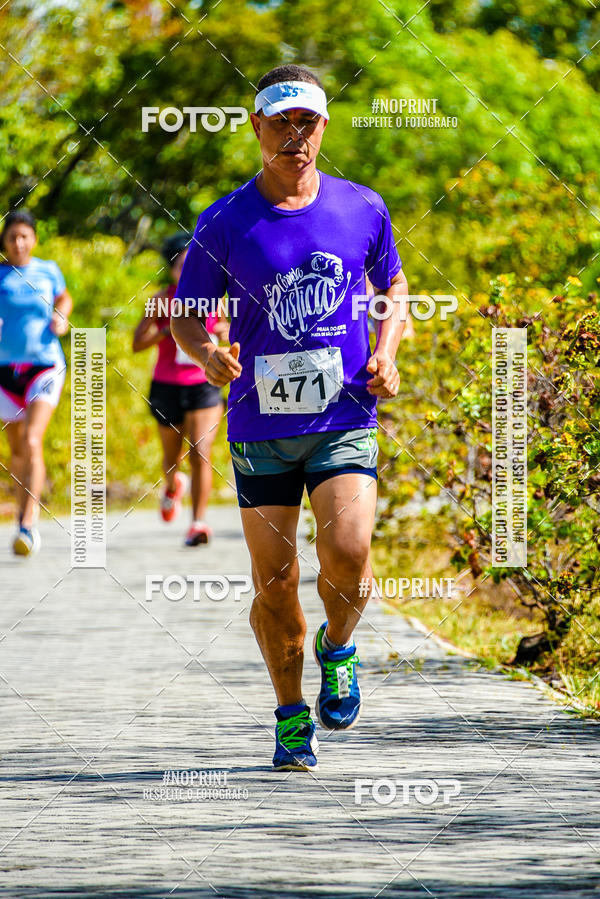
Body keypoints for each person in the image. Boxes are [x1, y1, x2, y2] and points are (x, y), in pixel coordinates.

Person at [171, 64, 408, 770]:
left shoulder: (362, 207)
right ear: (256, 127)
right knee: (274, 581)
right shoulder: (224, 220)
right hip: (259, 427)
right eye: (280, 123)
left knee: (350, 556)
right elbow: (185, 315)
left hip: (344, 415)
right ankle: (290, 713)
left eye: (306, 122)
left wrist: (389, 350)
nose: (294, 136)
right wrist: (207, 353)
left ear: (323, 127)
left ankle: (340, 645)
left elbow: (393, 285)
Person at [132, 233, 226, 546]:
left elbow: (231, 329)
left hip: (204, 383)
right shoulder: (160, 300)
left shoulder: (215, 297)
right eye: (181, 266)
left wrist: (224, 330)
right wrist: (164, 331)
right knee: (171, 459)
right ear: (171, 270)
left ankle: (198, 523)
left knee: (200, 451)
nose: (188, 271)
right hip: (167, 386)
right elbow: (137, 343)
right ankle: (173, 484)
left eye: (192, 264)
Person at [0, 209, 72, 555]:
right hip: (5, 372)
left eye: (24, 236)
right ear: (4, 241)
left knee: (32, 439)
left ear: (34, 239)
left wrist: (61, 315)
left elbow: (64, 297)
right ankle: (21, 518)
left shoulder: (48, 270)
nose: (18, 243)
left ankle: (29, 524)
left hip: (44, 365)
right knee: (16, 452)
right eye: (12, 237)